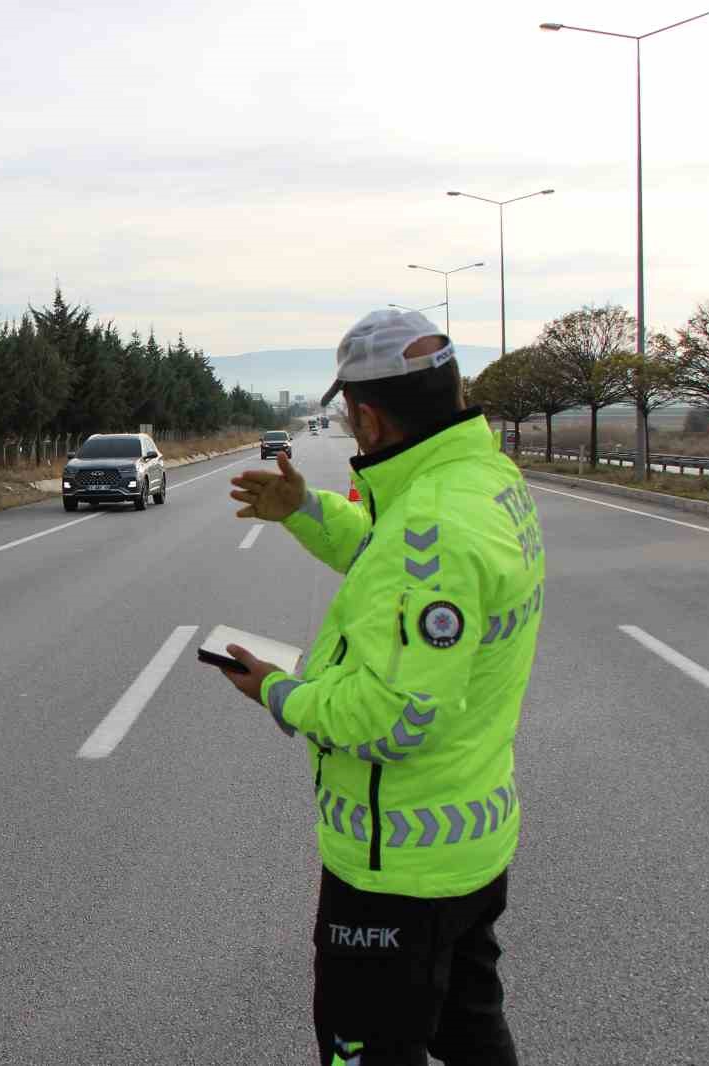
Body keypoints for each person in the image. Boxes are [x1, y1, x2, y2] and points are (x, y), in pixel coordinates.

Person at [218, 309, 542, 1066]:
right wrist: (305, 509)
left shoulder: (432, 522)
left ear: (367, 416)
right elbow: (390, 557)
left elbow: (393, 717)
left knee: (367, 1048)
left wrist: (279, 691)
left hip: (396, 860)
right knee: (471, 1034)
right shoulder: (481, 480)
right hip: (470, 839)